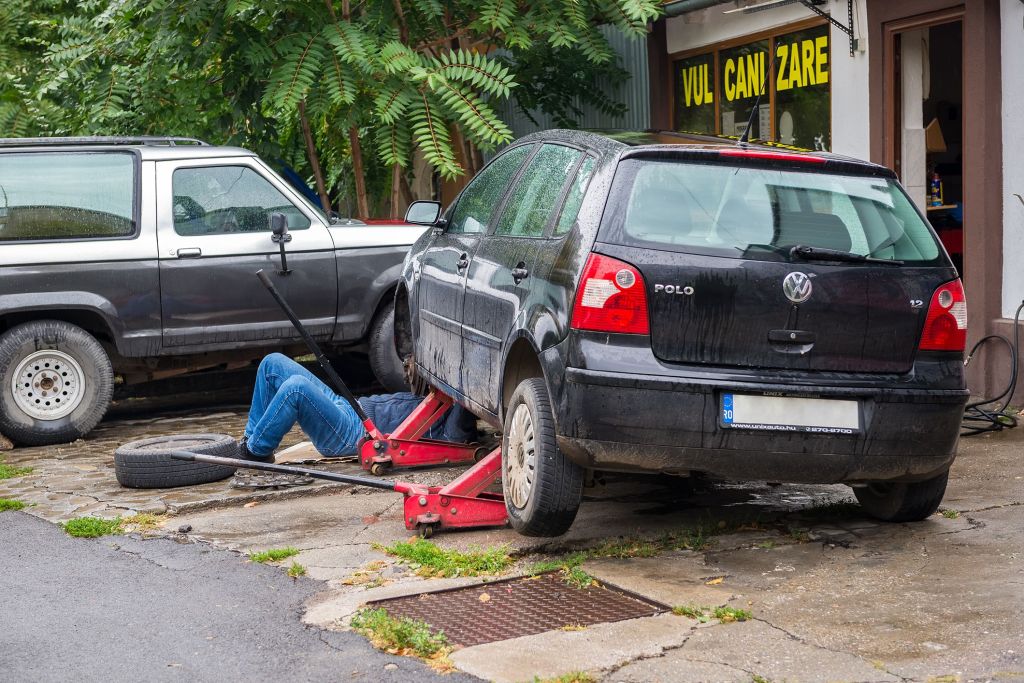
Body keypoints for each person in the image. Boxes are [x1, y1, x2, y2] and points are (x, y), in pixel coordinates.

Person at [238, 353, 477, 462]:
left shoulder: (456, 428)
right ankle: (249, 441)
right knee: (272, 363)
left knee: (296, 388)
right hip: (351, 407)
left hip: (354, 434)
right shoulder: (442, 396)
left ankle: (256, 451)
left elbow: (456, 436)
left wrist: (468, 379)